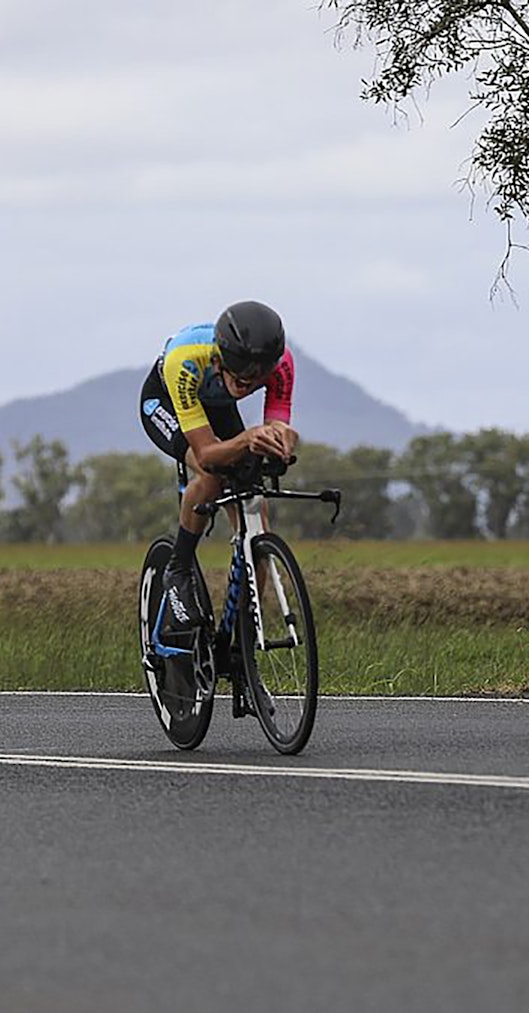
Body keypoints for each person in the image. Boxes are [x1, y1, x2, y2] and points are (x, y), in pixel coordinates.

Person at [140, 300, 298, 630]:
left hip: (217, 405)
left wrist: (281, 442)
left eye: (257, 378)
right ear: (218, 359)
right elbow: (209, 455)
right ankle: (178, 568)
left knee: (256, 508)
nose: (250, 382)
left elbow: (277, 424)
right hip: (167, 402)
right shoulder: (186, 360)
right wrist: (246, 440)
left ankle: (241, 634)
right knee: (211, 475)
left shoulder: (282, 365)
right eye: (241, 377)